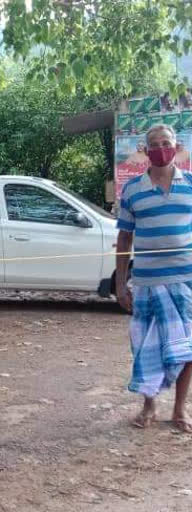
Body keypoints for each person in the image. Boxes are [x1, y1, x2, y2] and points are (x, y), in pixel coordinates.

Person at [116, 124, 192, 432]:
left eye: (166, 142)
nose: (161, 148)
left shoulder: (190, 185)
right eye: (154, 144)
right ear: (145, 151)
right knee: (145, 346)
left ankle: (180, 409)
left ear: (176, 146)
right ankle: (148, 407)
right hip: (146, 283)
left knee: (188, 347)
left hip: (186, 282)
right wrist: (121, 284)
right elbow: (124, 239)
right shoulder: (132, 189)